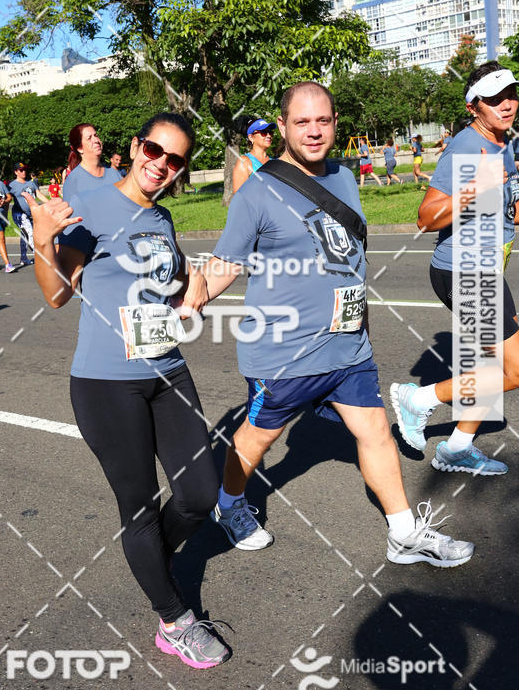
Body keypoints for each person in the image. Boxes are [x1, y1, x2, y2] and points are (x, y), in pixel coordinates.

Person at [198, 81, 474, 567]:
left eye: (322, 120)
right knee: (257, 440)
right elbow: (226, 263)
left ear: (335, 123)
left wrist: (361, 326)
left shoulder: (345, 179)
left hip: (348, 348)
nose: (313, 131)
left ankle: (404, 533)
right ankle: (230, 503)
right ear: (281, 126)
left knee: (376, 433)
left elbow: (351, 259)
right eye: (301, 122)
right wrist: (189, 298)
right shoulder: (257, 191)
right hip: (283, 354)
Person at [27, 112, 229, 669]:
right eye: (155, 151)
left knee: (199, 495)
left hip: (167, 371)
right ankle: (174, 618)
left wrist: (202, 287)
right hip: (105, 384)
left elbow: (181, 277)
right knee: (139, 508)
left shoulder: (161, 217)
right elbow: (56, 294)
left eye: (175, 160)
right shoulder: (93, 209)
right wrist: (44, 238)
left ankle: (149, 560)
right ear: (136, 147)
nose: (161, 164)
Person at [391, 61, 519, 476]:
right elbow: (426, 218)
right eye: (495, 98)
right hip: (464, 271)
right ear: (474, 106)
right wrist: (475, 187)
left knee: (491, 367)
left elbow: (508, 211)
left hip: (486, 267)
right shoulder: (464, 148)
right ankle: (419, 398)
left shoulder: (506, 143)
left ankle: (458, 447)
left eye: (512, 94)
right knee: (516, 370)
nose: (507, 103)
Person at [63, 124, 123, 203]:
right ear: (80, 148)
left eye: (96, 135)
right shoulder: (73, 180)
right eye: (89, 138)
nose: (96, 140)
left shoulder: (114, 174)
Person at [8, 162, 48, 266]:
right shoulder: (11, 185)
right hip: (19, 214)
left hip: (32, 213)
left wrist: (50, 202)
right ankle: (40, 256)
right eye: (21, 170)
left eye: (25, 169)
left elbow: (39, 194)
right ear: (16, 172)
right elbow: (7, 198)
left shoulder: (31, 183)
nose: (23, 172)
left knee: (25, 235)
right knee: (29, 232)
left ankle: (24, 258)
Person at [232, 116, 276, 194]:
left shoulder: (274, 161)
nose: (269, 135)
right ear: (251, 137)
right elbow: (238, 198)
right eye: (264, 132)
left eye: (271, 132)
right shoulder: (245, 162)